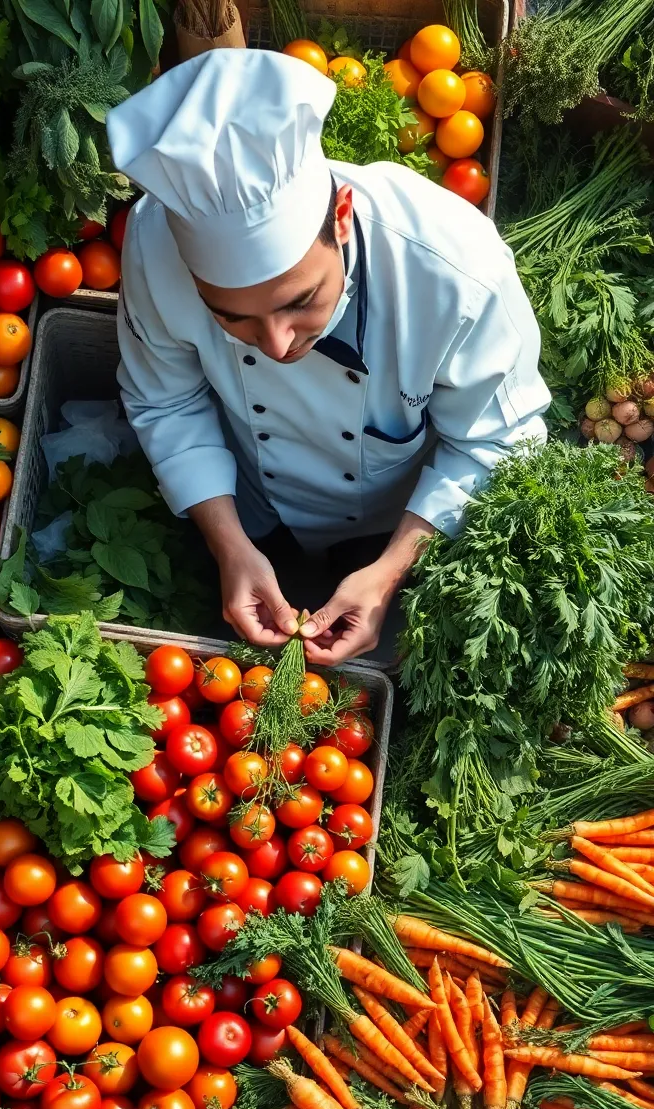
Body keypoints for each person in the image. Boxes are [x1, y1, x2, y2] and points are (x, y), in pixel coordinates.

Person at [107, 48, 549, 665]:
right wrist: (228, 544)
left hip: (399, 514)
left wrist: (391, 569)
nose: (278, 345)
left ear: (341, 218)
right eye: (231, 317)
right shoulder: (156, 246)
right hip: (249, 496)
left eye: (300, 302)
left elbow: (499, 441)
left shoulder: (456, 272)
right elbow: (165, 398)